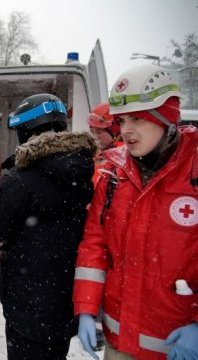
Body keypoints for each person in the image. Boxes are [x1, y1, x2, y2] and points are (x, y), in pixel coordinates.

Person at [74, 64, 198, 360]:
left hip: (178, 347)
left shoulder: (193, 176)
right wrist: (86, 310)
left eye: (138, 119)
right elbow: (95, 245)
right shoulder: (112, 175)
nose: (126, 130)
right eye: (122, 120)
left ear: (166, 119)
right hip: (120, 344)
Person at [0, 93, 97, 360]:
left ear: (27, 131)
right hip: (64, 302)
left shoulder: (22, 178)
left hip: (28, 306)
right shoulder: (84, 169)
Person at [88, 102, 123, 185]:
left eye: (99, 132)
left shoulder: (122, 160)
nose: (95, 137)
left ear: (115, 132)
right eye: (92, 132)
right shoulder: (98, 156)